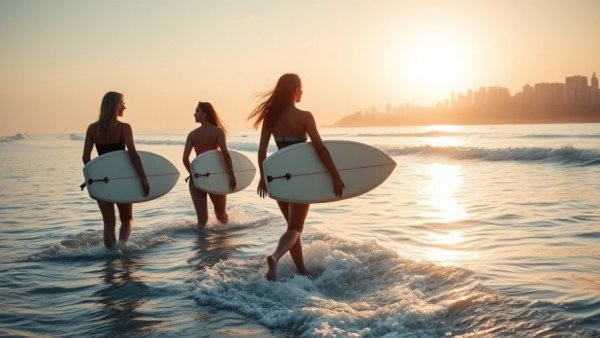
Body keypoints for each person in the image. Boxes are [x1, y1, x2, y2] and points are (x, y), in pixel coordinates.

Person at [248, 73, 345, 281]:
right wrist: (335, 175)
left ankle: (301, 269)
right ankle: (275, 257)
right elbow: (319, 148)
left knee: (292, 227)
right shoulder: (305, 116)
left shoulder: (270, 118)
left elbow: (262, 152)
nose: (302, 92)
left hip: (279, 177)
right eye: (301, 88)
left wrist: (264, 177)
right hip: (300, 177)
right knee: (295, 228)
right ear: (295, 90)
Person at [82, 91, 150, 249]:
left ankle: (110, 258)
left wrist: (92, 177)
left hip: (102, 180)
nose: (124, 106)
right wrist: (143, 179)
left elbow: (86, 157)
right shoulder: (124, 128)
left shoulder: (92, 129)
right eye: (122, 103)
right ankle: (122, 248)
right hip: (121, 179)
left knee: (108, 223)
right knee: (126, 219)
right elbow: (133, 155)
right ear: (115, 106)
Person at [183, 101, 236, 227]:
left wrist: (193, 175)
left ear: (205, 114)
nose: (194, 114)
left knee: (202, 221)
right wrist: (231, 175)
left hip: (197, 179)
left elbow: (185, 159)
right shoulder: (218, 132)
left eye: (197, 111)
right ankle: (222, 244)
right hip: (215, 176)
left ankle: (201, 246)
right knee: (221, 215)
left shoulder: (192, 135)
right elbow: (225, 154)